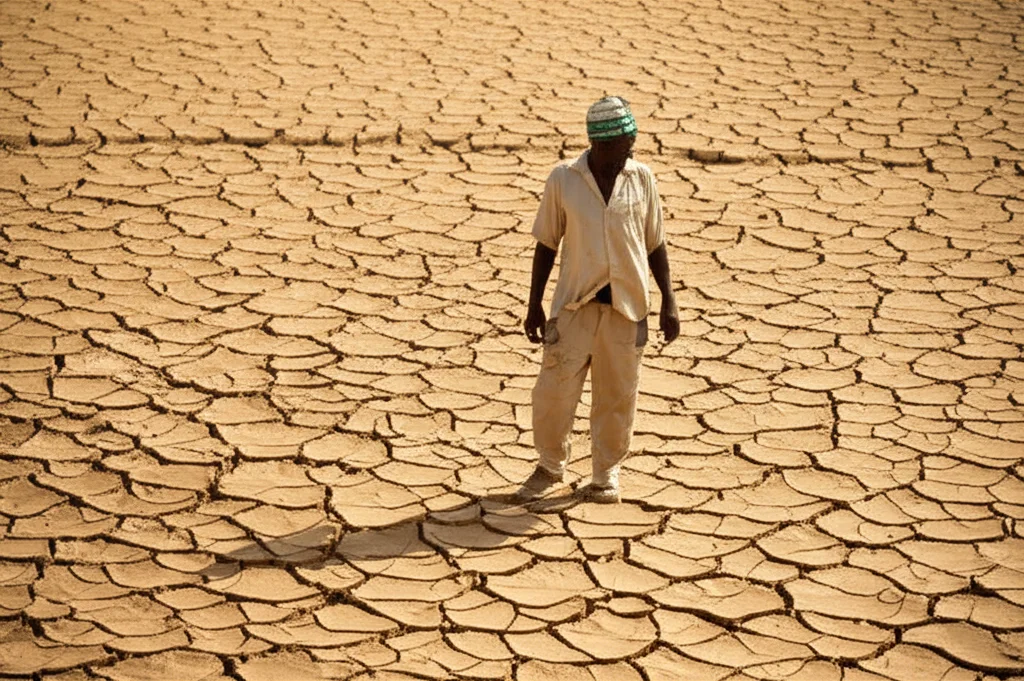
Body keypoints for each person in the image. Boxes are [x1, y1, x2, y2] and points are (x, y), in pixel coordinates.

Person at [519, 95, 679, 504]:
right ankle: (550, 466)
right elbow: (546, 244)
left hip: (627, 308)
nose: (629, 152)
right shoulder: (564, 179)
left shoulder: (641, 178)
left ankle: (606, 473)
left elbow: (655, 242)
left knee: (617, 396)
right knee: (554, 391)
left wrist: (669, 301)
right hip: (574, 306)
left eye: (631, 143)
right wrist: (534, 303)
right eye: (621, 146)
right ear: (599, 143)